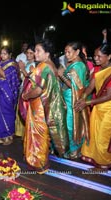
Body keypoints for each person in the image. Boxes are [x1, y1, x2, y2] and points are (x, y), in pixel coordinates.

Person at [22, 40, 68, 173]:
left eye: (38, 51)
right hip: (46, 105)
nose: (35, 53)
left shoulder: (43, 66)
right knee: (43, 133)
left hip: (40, 105)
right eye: (35, 50)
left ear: (47, 53)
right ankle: (41, 159)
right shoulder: (51, 65)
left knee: (38, 134)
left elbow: (38, 90)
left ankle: (39, 162)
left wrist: (26, 96)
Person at [74, 44, 111, 170]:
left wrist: (87, 103)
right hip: (98, 106)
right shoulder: (97, 69)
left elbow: (109, 96)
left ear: (109, 56)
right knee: (94, 134)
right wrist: (82, 97)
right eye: (95, 55)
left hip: (109, 108)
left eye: (99, 56)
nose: (96, 58)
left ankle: (104, 164)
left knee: (103, 137)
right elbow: (91, 87)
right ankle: (94, 158)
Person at [58, 42, 90, 159]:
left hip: (73, 99)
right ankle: (72, 149)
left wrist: (61, 75)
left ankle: (74, 151)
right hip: (68, 98)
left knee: (72, 125)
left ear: (77, 52)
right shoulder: (73, 64)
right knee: (69, 124)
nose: (66, 54)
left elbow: (76, 87)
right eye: (65, 52)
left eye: (69, 52)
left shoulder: (78, 66)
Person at [0, 47, 19, 145]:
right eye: (1, 53)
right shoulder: (1, 63)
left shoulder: (12, 64)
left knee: (6, 113)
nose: (2, 55)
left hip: (7, 92)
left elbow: (4, 75)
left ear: (10, 55)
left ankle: (8, 136)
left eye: (5, 53)